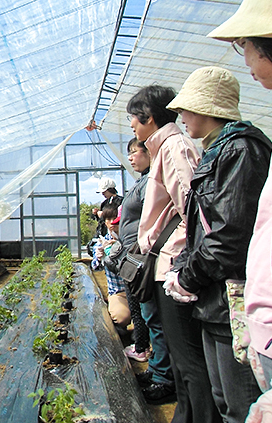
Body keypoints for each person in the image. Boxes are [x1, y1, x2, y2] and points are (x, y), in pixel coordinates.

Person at [165, 66, 269, 422]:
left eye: (186, 108)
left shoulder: (240, 151)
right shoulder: (216, 151)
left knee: (241, 407)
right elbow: (201, 230)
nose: (180, 116)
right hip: (214, 300)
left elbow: (228, 239)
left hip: (233, 301)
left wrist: (187, 277)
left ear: (207, 109)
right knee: (225, 400)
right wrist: (183, 268)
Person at [128, 85, 222, 421]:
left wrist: (183, 266)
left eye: (134, 121)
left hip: (174, 267)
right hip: (166, 265)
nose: (133, 129)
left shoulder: (175, 147)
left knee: (190, 360)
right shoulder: (163, 149)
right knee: (182, 360)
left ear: (149, 118)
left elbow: (195, 212)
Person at [208, 0, 272, 394]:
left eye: (243, 44)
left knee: (234, 399)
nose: (244, 55)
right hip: (262, 315)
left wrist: (189, 273)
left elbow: (230, 228)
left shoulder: (240, 149)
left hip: (258, 314)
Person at [112, 138, 175, 400]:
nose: (131, 158)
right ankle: (157, 369)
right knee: (149, 316)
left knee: (154, 318)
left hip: (145, 260)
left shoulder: (151, 182)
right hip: (136, 259)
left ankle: (164, 379)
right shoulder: (141, 181)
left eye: (134, 152)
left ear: (149, 152)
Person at [91, 205, 131, 329]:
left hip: (137, 291)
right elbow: (95, 268)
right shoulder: (102, 242)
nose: (112, 223)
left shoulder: (131, 239)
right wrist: (99, 257)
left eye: (115, 218)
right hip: (118, 292)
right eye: (108, 219)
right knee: (121, 317)